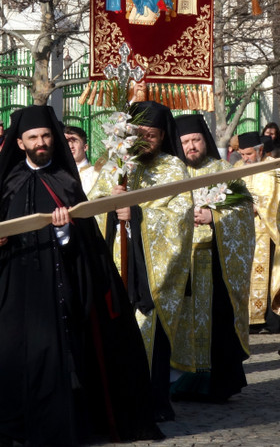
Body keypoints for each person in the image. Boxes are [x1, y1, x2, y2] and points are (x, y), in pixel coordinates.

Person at [0, 106, 160, 445]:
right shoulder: (10, 179)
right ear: (20, 141)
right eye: (33, 137)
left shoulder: (66, 181)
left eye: (45, 136)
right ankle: (5, 425)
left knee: (52, 355)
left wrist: (64, 231)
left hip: (55, 287)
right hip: (13, 286)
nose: (41, 142)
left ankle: (52, 425)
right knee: (7, 354)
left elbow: (85, 241)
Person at [88, 100, 192, 422]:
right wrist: (110, 208)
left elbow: (180, 216)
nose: (147, 139)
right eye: (140, 133)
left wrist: (135, 214)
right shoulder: (114, 166)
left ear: (163, 136)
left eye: (154, 134)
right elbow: (91, 206)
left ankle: (152, 402)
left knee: (151, 335)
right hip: (115, 267)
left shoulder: (173, 168)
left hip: (150, 275)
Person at [170, 114, 253, 402]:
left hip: (214, 261)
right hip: (178, 261)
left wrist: (214, 216)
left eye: (196, 140)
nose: (191, 146)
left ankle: (213, 383)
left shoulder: (221, 169)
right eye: (185, 142)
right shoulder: (171, 171)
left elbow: (243, 213)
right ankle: (179, 380)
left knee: (216, 322)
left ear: (205, 140)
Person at [235, 131, 280, 333]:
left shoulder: (272, 169)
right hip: (244, 233)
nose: (245, 159)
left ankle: (269, 320)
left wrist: (258, 207)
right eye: (241, 154)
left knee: (267, 275)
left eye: (248, 154)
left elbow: (279, 200)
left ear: (259, 150)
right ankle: (249, 319)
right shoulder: (238, 168)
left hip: (267, 232)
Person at [65, 125, 99, 196]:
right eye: (67, 142)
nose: (70, 146)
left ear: (85, 147)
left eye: (74, 141)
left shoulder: (97, 174)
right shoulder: (60, 175)